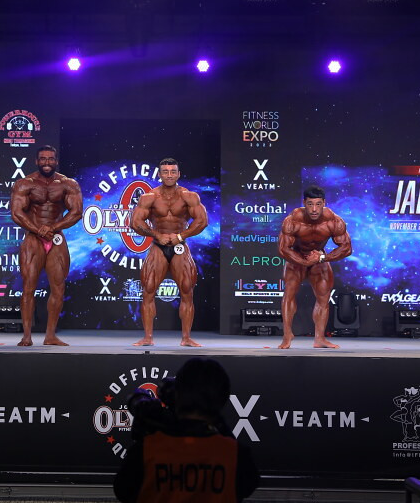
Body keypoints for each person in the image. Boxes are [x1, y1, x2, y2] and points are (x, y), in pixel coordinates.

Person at [113, 358, 259, 503]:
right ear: (223, 399)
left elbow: (124, 491)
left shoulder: (146, 450)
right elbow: (248, 485)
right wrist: (219, 422)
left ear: (177, 394)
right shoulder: (235, 454)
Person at [129, 158, 208, 347]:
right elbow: (135, 222)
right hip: (158, 246)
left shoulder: (189, 196)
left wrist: (181, 236)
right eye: (165, 171)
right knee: (148, 289)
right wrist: (157, 235)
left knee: (187, 290)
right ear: (160, 174)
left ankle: (186, 338)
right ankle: (148, 337)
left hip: (180, 246)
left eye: (173, 171)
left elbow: (202, 221)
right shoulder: (149, 197)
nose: (169, 175)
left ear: (178, 174)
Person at [10, 145, 83, 346]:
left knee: (58, 288)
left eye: (50, 159)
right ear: (36, 161)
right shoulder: (25, 184)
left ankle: (50, 336)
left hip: (56, 238)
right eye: (43, 159)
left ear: (56, 161)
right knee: (28, 287)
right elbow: (16, 213)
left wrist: (52, 227)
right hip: (33, 239)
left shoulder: (68, 184)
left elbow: (76, 212)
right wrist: (38, 229)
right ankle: (27, 336)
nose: (47, 162)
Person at [277, 185, 352, 349]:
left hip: (319, 258)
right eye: (310, 204)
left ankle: (320, 339)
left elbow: (347, 248)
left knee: (323, 297)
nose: (314, 209)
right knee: (289, 293)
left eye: (318, 204)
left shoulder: (334, 221)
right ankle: (287, 335)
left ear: (324, 203)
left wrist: (322, 258)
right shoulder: (293, 220)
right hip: (296, 257)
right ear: (304, 203)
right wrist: (304, 262)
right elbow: (283, 249)